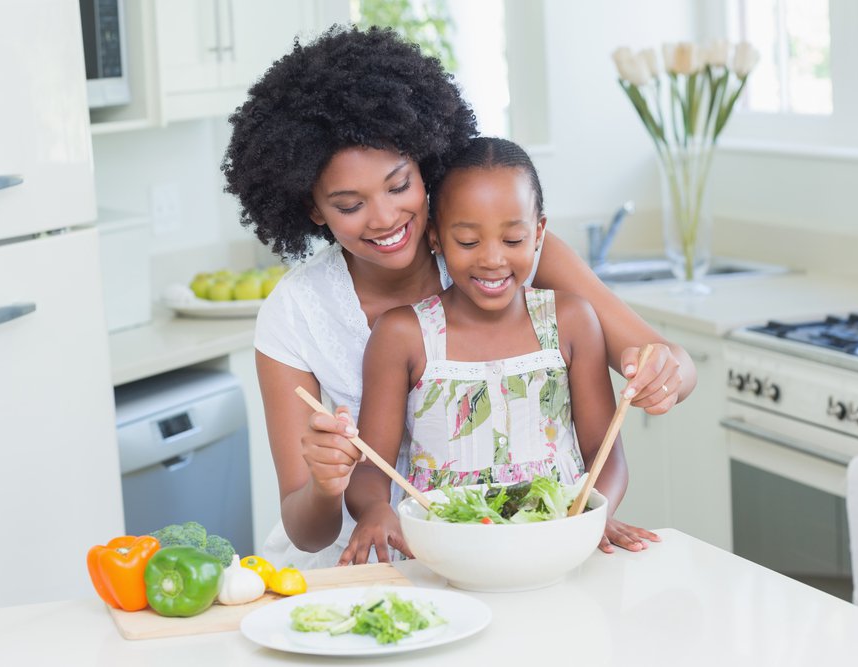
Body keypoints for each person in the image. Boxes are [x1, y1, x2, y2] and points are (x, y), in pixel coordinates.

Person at [222, 25, 695, 569]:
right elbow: (306, 532)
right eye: (350, 205)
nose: (384, 218)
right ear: (311, 209)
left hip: (518, 547)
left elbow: (671, 366)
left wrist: (665, 374)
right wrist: (327, 485)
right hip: (365, 564)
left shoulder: (516, 257)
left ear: (427, 164)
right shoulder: (295, 312)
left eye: (399, 186)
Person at [342, 137, 630, 563]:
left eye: (513, 240)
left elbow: (606, 453)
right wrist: (374, 510)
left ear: (539, 233)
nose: (493, 259)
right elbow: (369, 468)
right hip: (445, 556)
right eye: (468, 242)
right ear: (436, 238)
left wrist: (593, 511)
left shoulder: (571, 321)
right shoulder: (403, 333)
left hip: (557, 547)